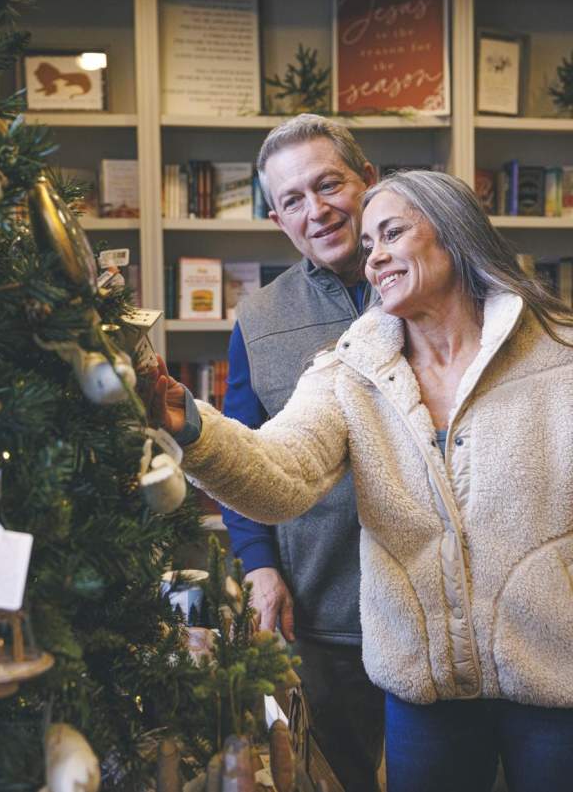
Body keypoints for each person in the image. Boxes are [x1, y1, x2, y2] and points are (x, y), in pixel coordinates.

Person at [153, 170, 573, 792]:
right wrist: (187, 423)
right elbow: (279, 476)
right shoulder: (351, 370)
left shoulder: (559, 354)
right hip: (423, 691)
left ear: (454, 235)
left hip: (555, 681)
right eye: (369, 242)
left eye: (392, 234)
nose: (373, 256)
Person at [221, 114, 383, 791]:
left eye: (329, 184)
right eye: (293, 200)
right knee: (339, 773)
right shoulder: (256, 320)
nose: (316, 211)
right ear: (275, 216)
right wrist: (259, 566)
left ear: (368, 180)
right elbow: (239, 455)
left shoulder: (438, 285)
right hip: (326, 612)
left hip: (447, 610)